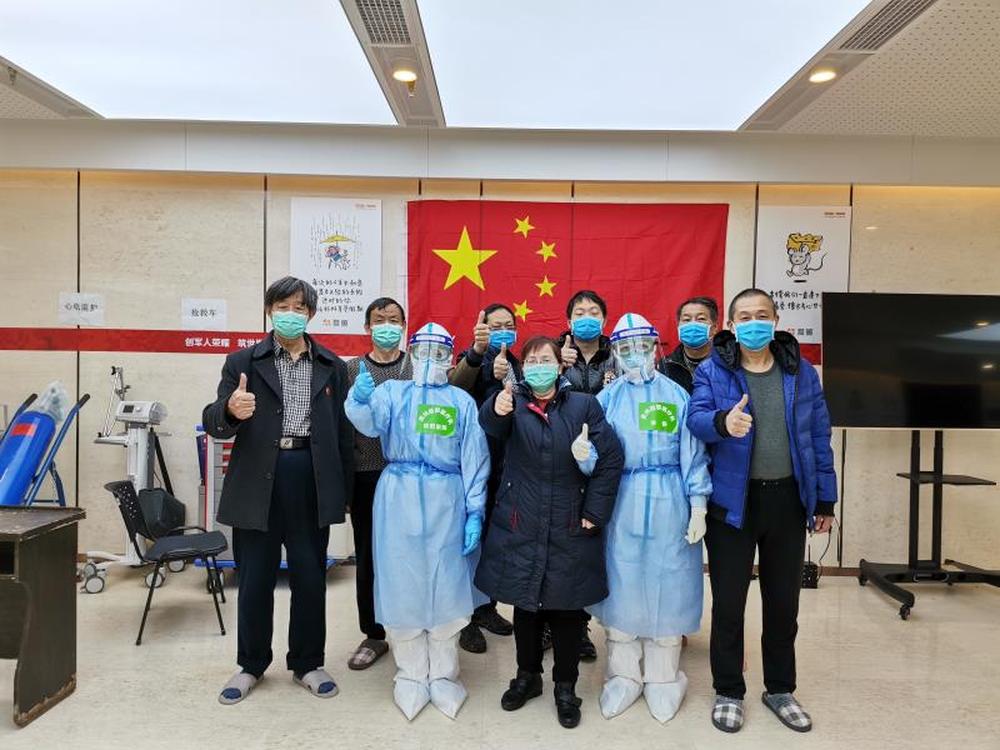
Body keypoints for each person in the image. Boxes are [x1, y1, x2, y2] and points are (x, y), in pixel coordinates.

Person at [686, 288, 837, 734]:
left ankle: (780, 689)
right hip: (732, 503)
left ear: (775, 320)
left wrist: (824, 499)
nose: (754, 323)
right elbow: (695, 419)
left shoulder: (800, 372)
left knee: (783, 601)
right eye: (746, 317)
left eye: (762, 315)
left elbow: (819, 436)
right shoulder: (713, 370)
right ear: (732, 325)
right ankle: (729, 690)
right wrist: (723, 423)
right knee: (729, 603)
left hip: (788, 501)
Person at [203, 276, 353, 705]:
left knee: (310, 577)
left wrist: (341, 492)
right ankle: (250, 665)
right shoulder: (243, 362)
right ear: (270, 311)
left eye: (299, 307)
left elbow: (343, 434)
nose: (291, 314)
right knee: (254, 579)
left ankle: (308, 663)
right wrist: (230, 410)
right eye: (283, 306)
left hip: (311, 476)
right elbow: (215, 423)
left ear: (311, 314)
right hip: (258, 479)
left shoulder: (331, 365)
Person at [476, 336, 624, 729]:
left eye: (546, 360)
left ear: (561, 367)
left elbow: (611, 459)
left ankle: (565, 685)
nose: (539, 366)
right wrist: (495, 406)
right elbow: (490, 425)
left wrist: (595, 512)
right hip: (521, 517)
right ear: (522, 368)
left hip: (570, 518)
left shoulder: (584, 405)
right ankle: (527, 676)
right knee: (526, 604)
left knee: (567, 607)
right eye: (532, 360)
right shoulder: (513, 400)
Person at [345, 322, 489, 721]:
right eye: (423, 351)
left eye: (439, 352)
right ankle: (410, 674)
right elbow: (368, 423)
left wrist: (475, 511)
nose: (430, 359)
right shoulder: (393, 392)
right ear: (411, 354)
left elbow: (475, 459)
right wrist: (359, 399)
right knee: (401, 579)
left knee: (447, 582)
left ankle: (443, 676)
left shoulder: (461, 402)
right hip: (398, 496)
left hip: (447, 498)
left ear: (451, 356)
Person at [588, 313, 712, 722]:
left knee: (669, 583)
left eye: (641, 346)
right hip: (621, 503)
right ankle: (623, 676)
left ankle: (663, 678)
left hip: (669, 500)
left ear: (655, 347)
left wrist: (698, 504)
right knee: (622, 584)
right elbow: (596, 455)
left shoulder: (677, 396)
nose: (634, 354)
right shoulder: (606, 400)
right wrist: (584, 458)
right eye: (625, 348)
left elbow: (693, 454)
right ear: (615, 352)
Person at [448, 303, 521, 653]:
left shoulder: (518, 363)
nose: (502, 330)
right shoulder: (472, 358)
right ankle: (465, 619)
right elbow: (456, 386)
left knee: (494, 541)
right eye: (495, 325)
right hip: (473, 464)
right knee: (468, 543)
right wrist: (479, 357)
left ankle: (486, 607)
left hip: (507, 466)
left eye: (508, 324)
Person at [344, 297, 411, 670]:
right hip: (367, 474)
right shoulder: (351, 370)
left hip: (412, 478)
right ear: (368, 327)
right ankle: (373, 632)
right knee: (369, 553)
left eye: (394, 319)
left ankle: (410, 625)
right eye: (379, 320)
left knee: (410, 553)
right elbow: (342, 428)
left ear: (403, 326)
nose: (387, 325)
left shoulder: (416, 366)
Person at [555, 289, 615, 659]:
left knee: (591, 550)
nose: (587, 317)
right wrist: (559, 368)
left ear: (604, 320)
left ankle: (582, 627)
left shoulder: (618, 354)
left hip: (604, 459)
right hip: (561, 461)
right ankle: (558, 627)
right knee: (562, 549)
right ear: (569, 321)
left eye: (594, 311)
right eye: (580, 312)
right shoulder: (556, 354)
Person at [657, 296, 720, 394]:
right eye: (686, 319)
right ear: (678, 326)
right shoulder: (665, 366)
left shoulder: (727, 363)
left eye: (701, 319)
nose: (693, 324)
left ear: (714, 328)